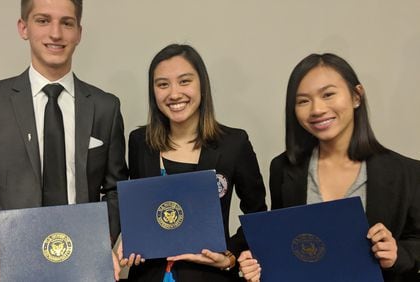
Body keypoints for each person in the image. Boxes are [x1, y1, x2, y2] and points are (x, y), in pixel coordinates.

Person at [0, 0, 128, 281]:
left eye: (66, 23)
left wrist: (100, 242)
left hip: (83, 267)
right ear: (23, 28)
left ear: (78, 32)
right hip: (8, 267)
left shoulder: (106, 107)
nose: (56, 33)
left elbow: (117, 191)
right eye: (43, 20)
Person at [238, 53, 420, 281]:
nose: (317, 109)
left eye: (328, 95)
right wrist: (257, 263)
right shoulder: (284, 169)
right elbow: (286, 245)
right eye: (303, 100)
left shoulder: (407, 173)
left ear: (356, 96)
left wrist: (397, 255)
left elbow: (415, 244)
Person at [119, 44, 267, 282]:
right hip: (148, 276)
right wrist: (132, 241)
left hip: (209, 276)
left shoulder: (234, 143)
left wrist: (229, 257)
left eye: (184, 81)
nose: (174, 93)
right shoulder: (140, 143)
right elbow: (140, 212)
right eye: (163, 84)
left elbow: (257, 215)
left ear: (202, 85)